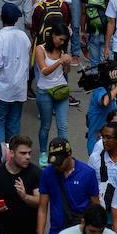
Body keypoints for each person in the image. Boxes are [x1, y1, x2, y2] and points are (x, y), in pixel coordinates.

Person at [37, 138, 99, 234]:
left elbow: (96, 206)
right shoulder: (47, 174)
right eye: (54, 163)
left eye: (60, 163)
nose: (57, 167)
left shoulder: (87, 173)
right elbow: (42, 209)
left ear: (69, 155)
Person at [0, 3, 30, 144]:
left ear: (1, 17)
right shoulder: (24, 36)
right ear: (16, 20)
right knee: (13, 124)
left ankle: (0, 156)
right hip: (19, 89)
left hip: (0, 90)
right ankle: (12, 155)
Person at [34, 25, 71, 166]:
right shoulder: (40, 49)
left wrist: (66, 63)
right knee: (46, 125)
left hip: (61, 90)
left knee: (63, 125)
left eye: (64, 40)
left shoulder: (62, 50)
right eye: (60, 39)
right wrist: (60, 61)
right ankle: (44, 153)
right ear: (53, 35)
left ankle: (63, 153)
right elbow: (44, 71)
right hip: (44, 92)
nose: (61, 42)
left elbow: (65, 71)